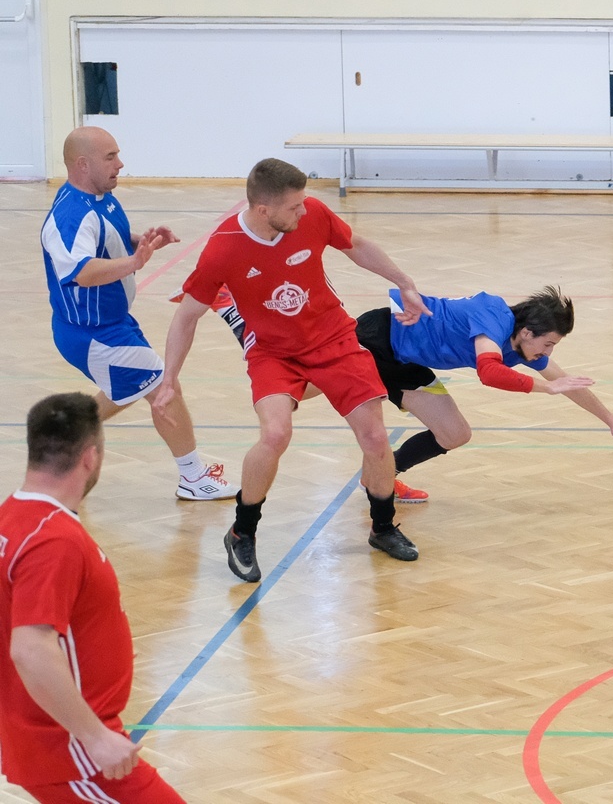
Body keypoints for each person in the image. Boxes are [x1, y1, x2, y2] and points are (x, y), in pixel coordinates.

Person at [152, 159, 427, 582]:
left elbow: (356, 245)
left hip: (334, 339)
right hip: (273, 353)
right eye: (294, 206)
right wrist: (170, 378)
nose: (304, 210)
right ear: (263, 210)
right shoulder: (223, 249)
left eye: (303, 203)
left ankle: (383, 526)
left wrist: (403, 281)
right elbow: (186, 316)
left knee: (375, 437)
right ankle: (242, 532)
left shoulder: (311, 213)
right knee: (275, 434)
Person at [0, 394, 187, 804]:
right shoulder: (53, 540)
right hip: (73, 753)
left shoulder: (11, 517)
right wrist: (94, 737)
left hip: (51, 740)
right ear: (90, 457)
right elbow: (30, 649)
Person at [41, 128, 236, 503]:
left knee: (131, 388)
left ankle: (65, 441)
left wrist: (140, 242)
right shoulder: (71, 216)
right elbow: (81, 271)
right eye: (110, 157)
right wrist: (134, 262)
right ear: (82, 164)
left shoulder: (101, 198)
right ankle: (193, 477)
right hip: (92, 334)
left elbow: (104, 240)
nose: (121, 164)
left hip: (113, 324)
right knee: (164, 387)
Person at [357, 286, 613, 491]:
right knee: (351, 414)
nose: (548, 352)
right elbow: (489, 372)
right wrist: (545, 388)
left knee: (455, 434)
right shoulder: (493, 318)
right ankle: (379, 494)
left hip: (404, 360)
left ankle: (384, 475)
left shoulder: (523, 346)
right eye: (548, 343)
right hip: (375, 341)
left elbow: (568, 384)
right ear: (527, 332)